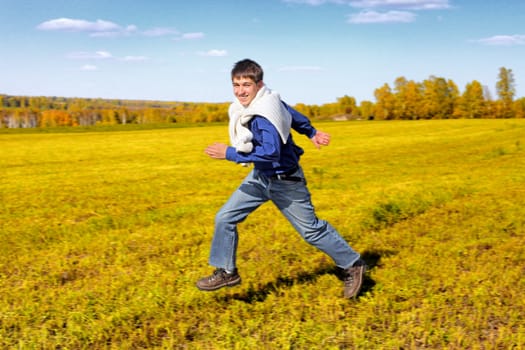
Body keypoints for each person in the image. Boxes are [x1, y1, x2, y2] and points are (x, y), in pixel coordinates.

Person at [196, 59, 366, 298]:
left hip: (286, 181)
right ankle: (226, 271)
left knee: (311, 231)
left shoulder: (263, 114)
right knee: (224, 217)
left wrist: (229, 153)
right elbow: (290, 112)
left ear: (259, 84)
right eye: (236, 84)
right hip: (260, 177)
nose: (240, 91)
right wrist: (311, 131)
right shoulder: (263, 102)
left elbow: (270, 152)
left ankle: (353, 263)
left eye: (246, 84)